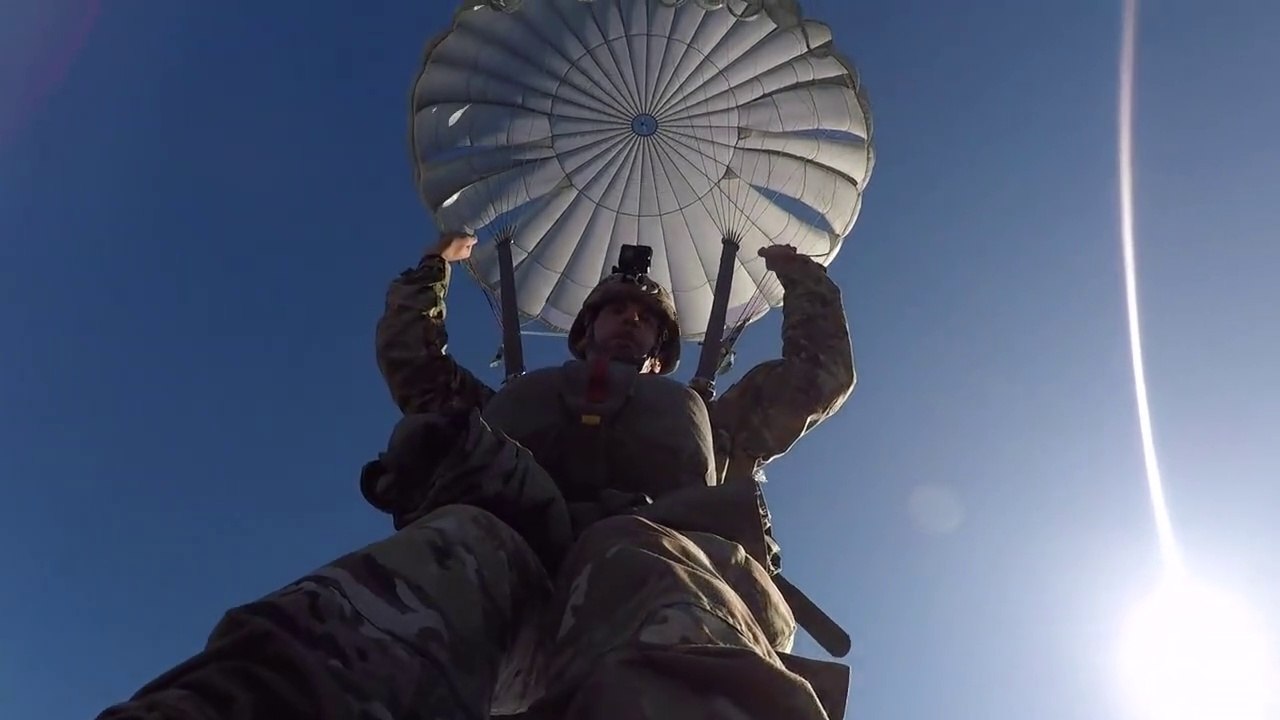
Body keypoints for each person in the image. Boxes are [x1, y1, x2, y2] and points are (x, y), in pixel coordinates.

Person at [96, 232, 856, 720]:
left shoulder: (714, 420)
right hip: (497, 572)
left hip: (657, 570)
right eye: (614, 313)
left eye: (644, 320)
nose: (628, 322)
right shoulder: (499, 407)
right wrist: (433, 272)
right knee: (452, 545)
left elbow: (816, 374)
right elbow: (413, 364)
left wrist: (800, 279)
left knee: (646, 560)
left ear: (660, 346)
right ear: (585, 329)